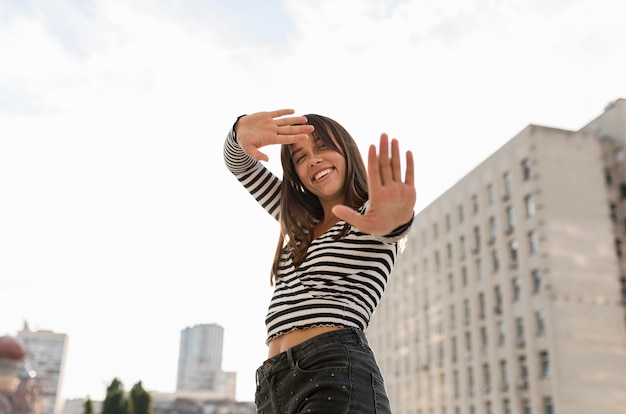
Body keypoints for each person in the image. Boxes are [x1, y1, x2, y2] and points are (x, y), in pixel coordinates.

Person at [223, 108, 416, 413]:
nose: (313, 159)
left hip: (333, 371)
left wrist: (396, 218)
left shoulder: (367, 218)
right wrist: (238, 132)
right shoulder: (299, 222)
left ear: (346, 151)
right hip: (274, 385)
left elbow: (391, 227)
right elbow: (240, 164)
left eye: (323, 146)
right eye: (300, 157)